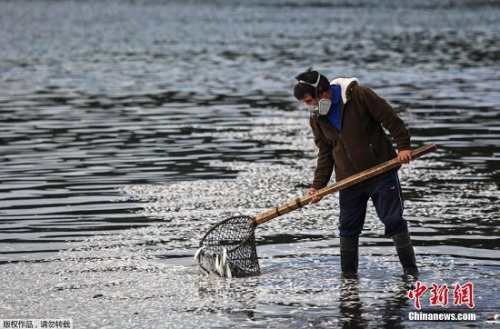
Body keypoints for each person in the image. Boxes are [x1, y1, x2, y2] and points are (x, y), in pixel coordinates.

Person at [293, 68, 419, 279]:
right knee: (348, 228)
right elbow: (325, 154)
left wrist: (403, 146)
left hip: (381, 172)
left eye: (309, 101)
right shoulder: (317, 119)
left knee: (393, 219)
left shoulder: (359, 95)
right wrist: (318, 186)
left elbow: (390, 118)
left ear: (322, 93)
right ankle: (348, 276)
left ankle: (411, 272)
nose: (309, 107)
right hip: (348, 180)